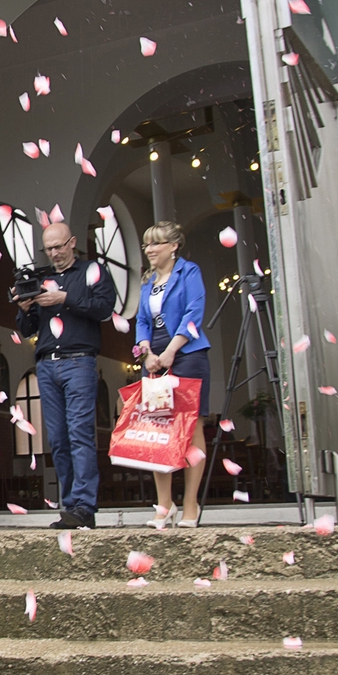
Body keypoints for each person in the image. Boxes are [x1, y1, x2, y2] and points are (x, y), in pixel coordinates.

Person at [13, 221, 119, 530]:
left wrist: (64, 299)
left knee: (80, 434)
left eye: (60, 246)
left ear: (72, 242)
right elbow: (27, 329)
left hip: (80, 361)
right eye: (49, 249)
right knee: (58, 439)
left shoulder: (92, 271)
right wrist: (24, 307)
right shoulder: (41, 278)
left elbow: (104, 308)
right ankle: (70, 505)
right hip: (46, 363)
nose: (55, 253)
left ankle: (85, 505)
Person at [133, 220, 213, 529]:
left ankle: (191, 503)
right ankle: (164, 504)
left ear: (173, 246)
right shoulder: (148, 281)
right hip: (155, 359)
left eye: (156, 244)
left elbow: (194, 311)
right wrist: (146, 352)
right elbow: (142, 320)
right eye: (147, 245)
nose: (150, 250)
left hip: (188, 355)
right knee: (158, 430)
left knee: (191, 428)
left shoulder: (189, 272)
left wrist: (171, 351)